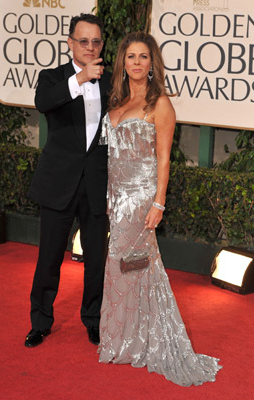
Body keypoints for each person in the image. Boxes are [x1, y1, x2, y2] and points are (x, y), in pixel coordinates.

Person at [97, 32, 222, 386]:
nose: (137, 62)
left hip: (141, 200)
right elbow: (111, 157)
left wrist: (158, 203)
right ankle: (125, 338)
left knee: (132, 266)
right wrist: (109, 195)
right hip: (118, 199)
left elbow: (163, 160)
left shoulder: (160, 104)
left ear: (152, 64)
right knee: (124, 269)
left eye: (143, 57)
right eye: (131, 56)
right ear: (123, 62)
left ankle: (141, 341)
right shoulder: (117, 101)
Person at [25, 14, 111, 348]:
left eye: (96, 41)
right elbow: (43, 103)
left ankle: (93, 320)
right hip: (58, 182)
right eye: (84, 41)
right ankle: (40, 321)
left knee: (95, 260)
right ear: (70, 43)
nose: (91, 47)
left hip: (96, 184)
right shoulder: (52, 78)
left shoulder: (110, 83)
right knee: (48, 258)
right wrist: (80, 79)